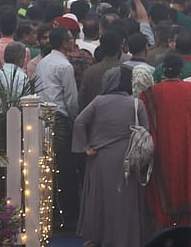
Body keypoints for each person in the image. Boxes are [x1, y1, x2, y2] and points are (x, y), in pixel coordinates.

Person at [72, 65, 150, 247]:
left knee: (102, 201)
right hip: (128, 159)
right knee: (125, 202)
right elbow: (146, 131)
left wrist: (85, 147)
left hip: (101, 158)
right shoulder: (136, 104)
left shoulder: (98, 101)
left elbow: (79, 122)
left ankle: (100, 238)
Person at [142, 53, 191, 228]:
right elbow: (190, 111)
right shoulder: (188, 88)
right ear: (181, 70)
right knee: (184, 179)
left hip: (162, 142)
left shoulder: (153, 92)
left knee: (164, 181)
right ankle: (184, 223)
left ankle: (164, 224)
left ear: (163, 69)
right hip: (185, 141)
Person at [34, 26, 80, 231]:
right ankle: (65, 214)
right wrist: (74, 120)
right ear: (63, 43)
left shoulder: (42, 63)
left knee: (46, 164)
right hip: (59, 118)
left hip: (40, 116)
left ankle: (49, 210)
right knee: (64, 167)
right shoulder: (64, 66)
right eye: (70, 39)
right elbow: (71, 99)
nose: (73, 42)